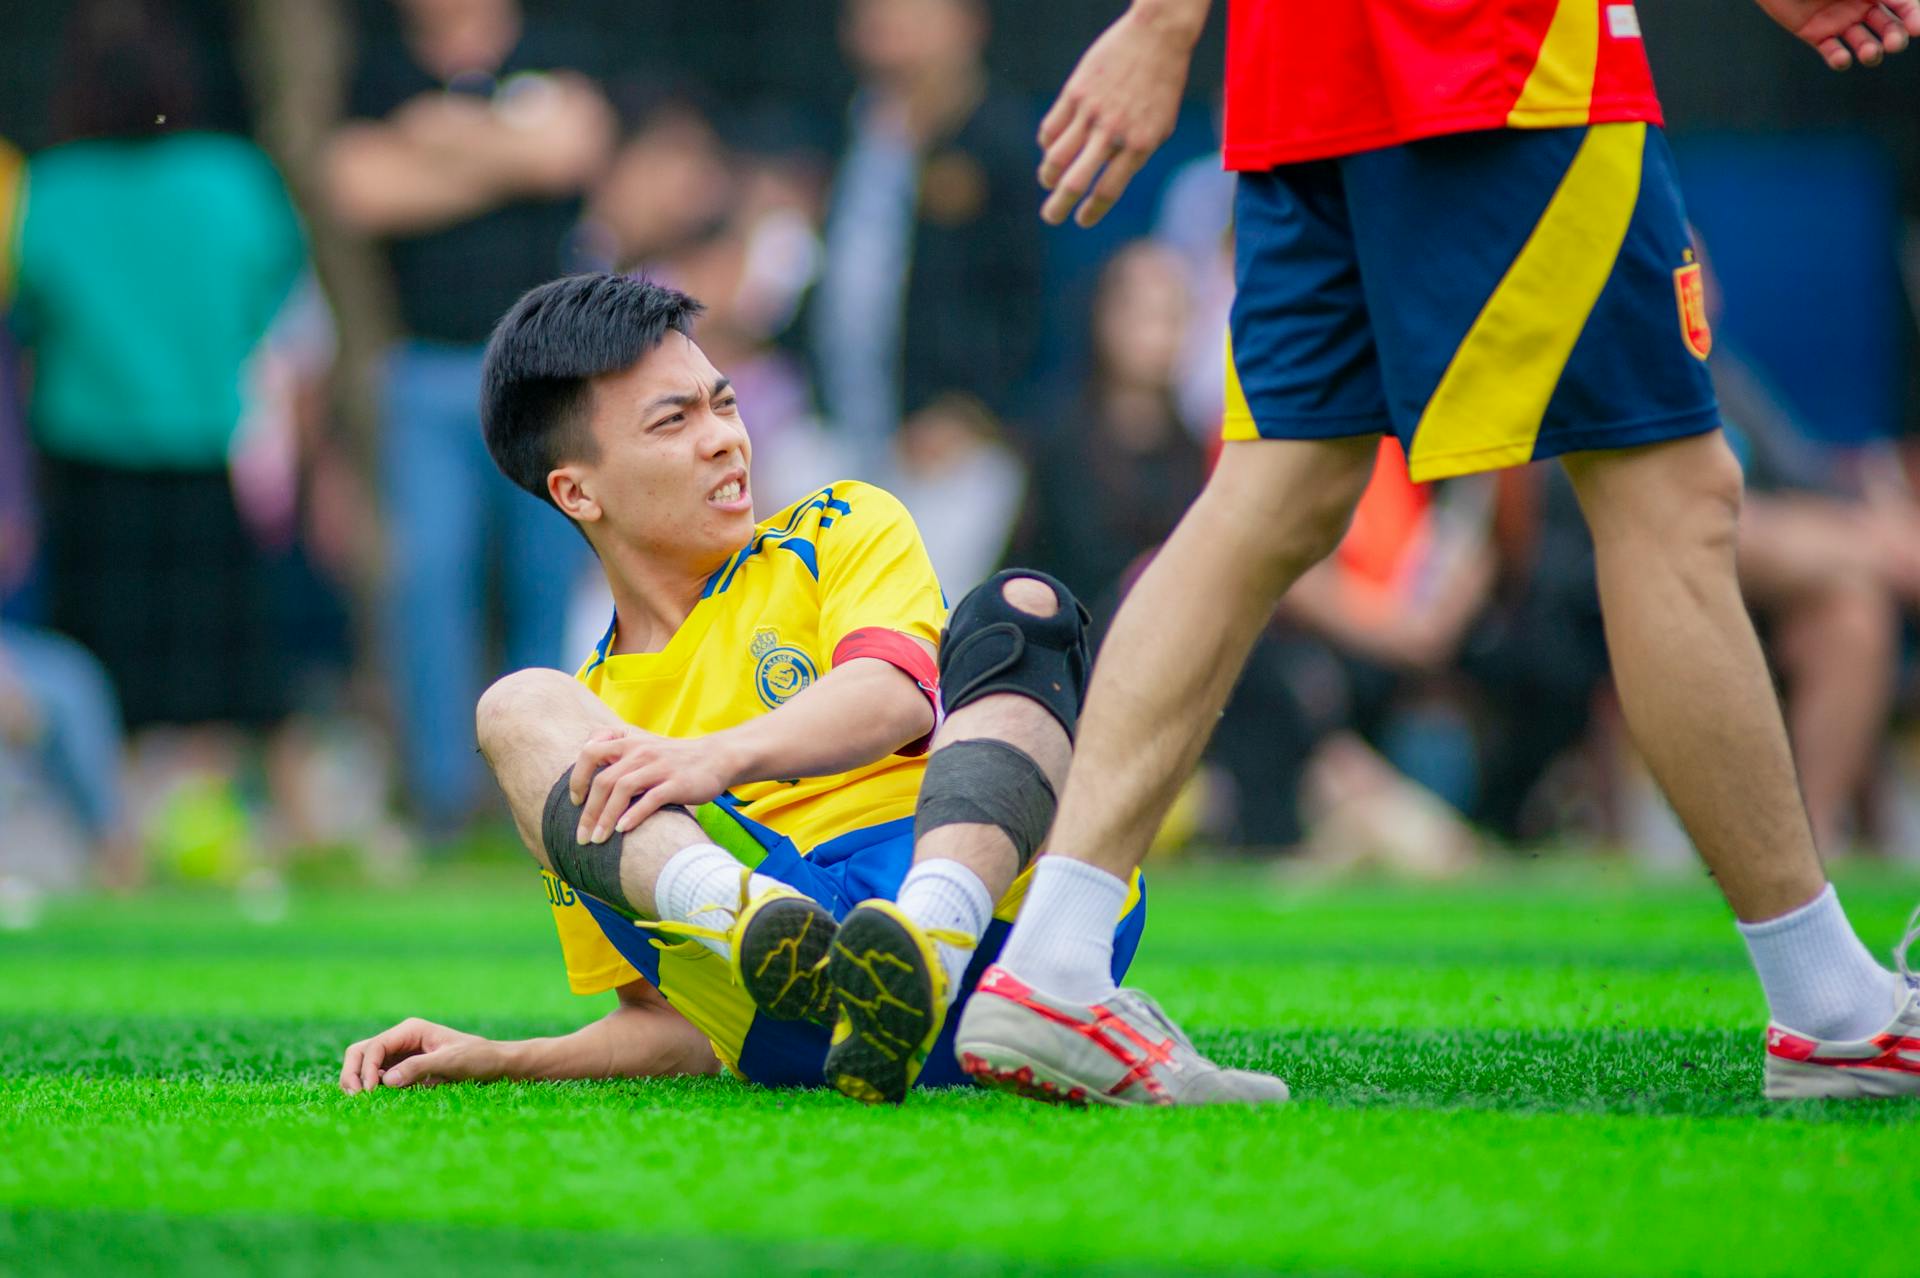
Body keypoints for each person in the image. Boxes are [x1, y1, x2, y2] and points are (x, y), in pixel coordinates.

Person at [940, 0, 1920, 1105]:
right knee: (1672, 496)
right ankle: (1835, 1011)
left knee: (1278, 489)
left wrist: (1165, 23)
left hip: (1305, 73)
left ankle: (1056, 959)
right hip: (1491, 54)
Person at [338, 274, 1216, 1106]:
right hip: (800, 1008)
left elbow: (896, 693)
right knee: (514, 705)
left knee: (1025, 606)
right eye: (673, 421)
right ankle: (756, 920)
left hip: (1002, 918)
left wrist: (709, 760)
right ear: (577, 491)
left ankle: (923, 942)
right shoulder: (583, 718)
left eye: (723, 402)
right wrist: (503, 1059)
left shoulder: (838, 523)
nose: (724, 436)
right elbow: (671, 1029)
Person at [323, 0, 614, 836]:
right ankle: (444, 802)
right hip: (425, 370)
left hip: (546, 371)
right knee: (427, 582)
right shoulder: (378, 64)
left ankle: (548, 794)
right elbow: (358, 192)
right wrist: (507, 151)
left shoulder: (559, 38)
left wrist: (431, 140)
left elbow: (572, 154)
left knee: (544, 583)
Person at [5, 0, 305, 744]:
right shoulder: (234, 177)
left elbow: (27, 319)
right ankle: (263, 819)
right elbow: (278, 304)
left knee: (104, 668)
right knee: (231, 666)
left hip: (88, 463)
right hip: (207, 450)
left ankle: (120, 833)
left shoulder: (48, 188)